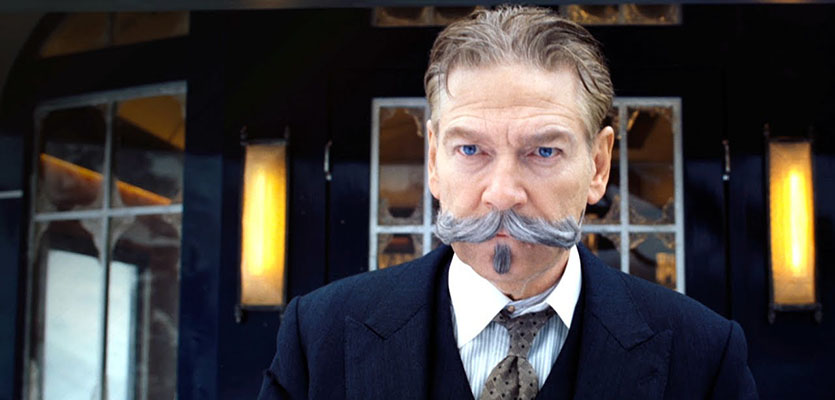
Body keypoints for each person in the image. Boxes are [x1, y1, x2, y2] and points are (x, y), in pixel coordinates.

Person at [258, 5, 758, 399]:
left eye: (544, 151)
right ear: (433, 161)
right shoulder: (317, 339)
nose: (502, 193)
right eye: (470, 149)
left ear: (598, 166)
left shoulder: (705, 357)